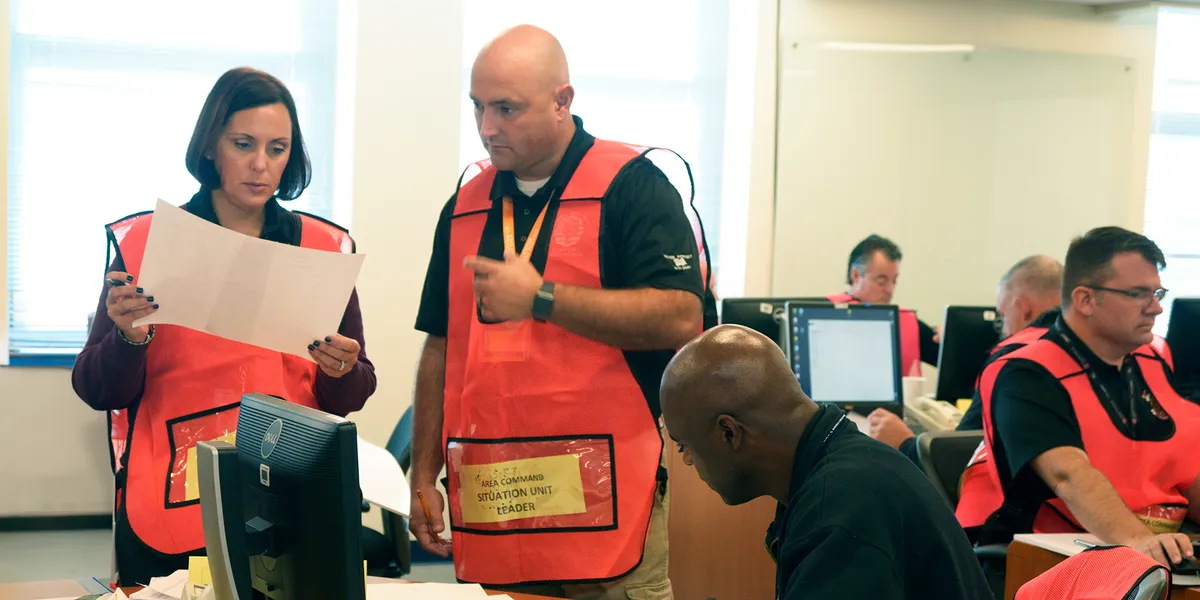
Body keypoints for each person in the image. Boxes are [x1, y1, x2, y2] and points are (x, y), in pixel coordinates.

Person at [409, 25, 708, 598]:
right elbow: (442, 344)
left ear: (563, 101)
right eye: (477, 107)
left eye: (507, 108)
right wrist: (423, 473)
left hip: (607, 501)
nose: (487, 127)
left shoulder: (633, 187)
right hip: (501, 499)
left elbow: (680, 319)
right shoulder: (466, 206)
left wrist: (541, 299)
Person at [71, 67, 377, 585]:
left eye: (278, 148)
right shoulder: (148, 243)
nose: (261, 165)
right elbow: (97, 388)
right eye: (244, 144)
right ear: (212, 145)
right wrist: (129, 339)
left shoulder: (321, 249)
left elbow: (352, 390)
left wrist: (342, 369)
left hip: (289, 497)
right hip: (170, 502)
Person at [659, 325, 992, 600]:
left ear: (729, 433)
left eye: (683, 445)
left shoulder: (838, 512)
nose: (686, 459)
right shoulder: (841, 464)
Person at [975, 227, 1200, 567]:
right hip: (1058, 561)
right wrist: (1139, 540)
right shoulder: (1027, 373)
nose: (1155, 308)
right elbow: (1069, 476)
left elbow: (1188, 467)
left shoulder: (1152, 361)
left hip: (1157, 552)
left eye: (1157, 292)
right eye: (1139, 294)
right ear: (1085, 300)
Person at [867, 255, 1064, 458]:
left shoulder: (1013, 363)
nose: (1002, 330)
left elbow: (956, 461)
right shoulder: (1082, 352)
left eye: (1002, 317)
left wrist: (905, 442)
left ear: (1024, 310)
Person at [827, 234, 937, 376]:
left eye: (894, 281)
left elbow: (954, 362)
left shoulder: (907, 324)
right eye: (881, 280)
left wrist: (948, 338)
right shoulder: (823, 315)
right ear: (855, 275)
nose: (890, 289)